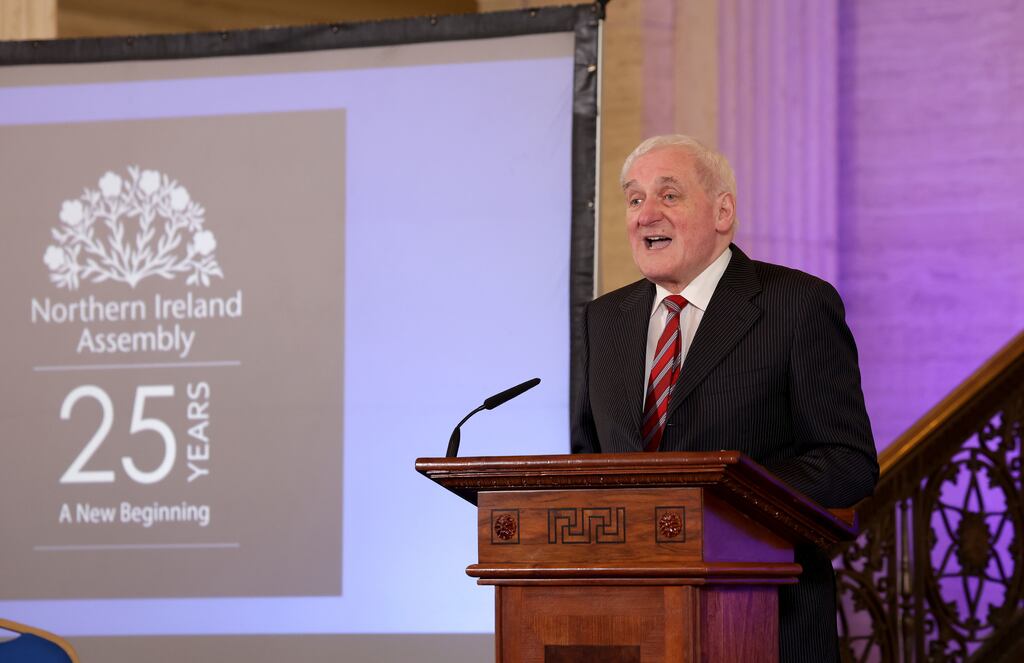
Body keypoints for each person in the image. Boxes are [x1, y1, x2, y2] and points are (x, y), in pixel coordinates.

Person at [571, 134, 879, 662]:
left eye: (669, 195)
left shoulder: (797, 305)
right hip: (630, 625)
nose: (647, 214)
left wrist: (723, 497)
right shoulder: (604, 320)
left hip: (763, 617)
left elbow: (847, 463)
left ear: (722, 211)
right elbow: (590, 459)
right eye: (635, 198)